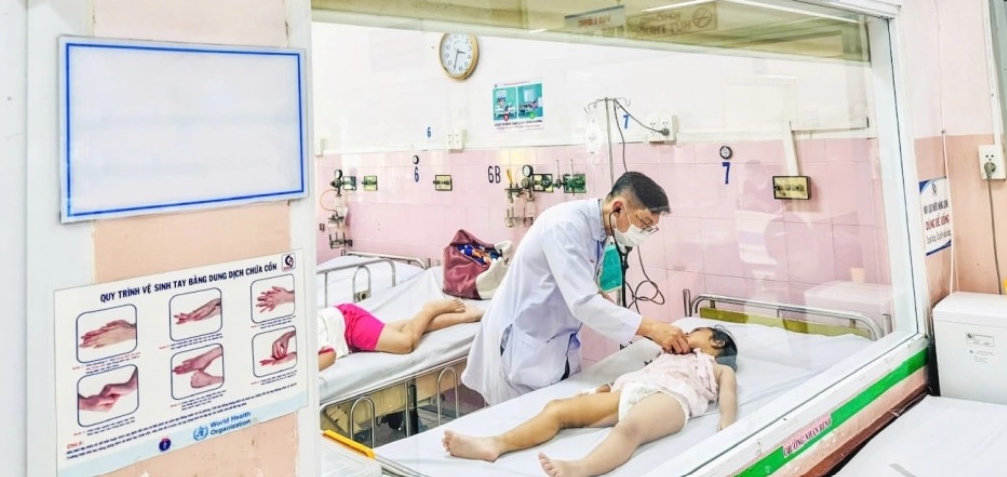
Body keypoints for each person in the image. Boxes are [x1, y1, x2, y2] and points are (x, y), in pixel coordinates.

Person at [462, 171, 689, 405]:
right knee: (522, 419)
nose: (644, 233)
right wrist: (651, 328)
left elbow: (589, 291)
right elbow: (584, 303)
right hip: (523, 348)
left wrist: (642, 328)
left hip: (552, 347)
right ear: (618, 208)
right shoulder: (564, 226)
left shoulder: (598, 230)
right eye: (644, 224)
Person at [445, 326, 739, 477]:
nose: (684, 335)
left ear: (717, 342)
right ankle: (495, 444)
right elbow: (638, 375)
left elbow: (728, 393)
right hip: (634, 389)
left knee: (629, 429)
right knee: (557, 409)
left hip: (672, 398)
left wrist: (728, 425)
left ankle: (581, 469)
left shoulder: (715, 366)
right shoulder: (667, 355)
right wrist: (600, 391)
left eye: (693, 332)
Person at [316, 297, 483, 371]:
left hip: (349, 325)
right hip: (341, 327)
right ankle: (467, 316)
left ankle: (431, 309)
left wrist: (305, 375)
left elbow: (330, 354)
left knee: (406, 343)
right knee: (410, 327)